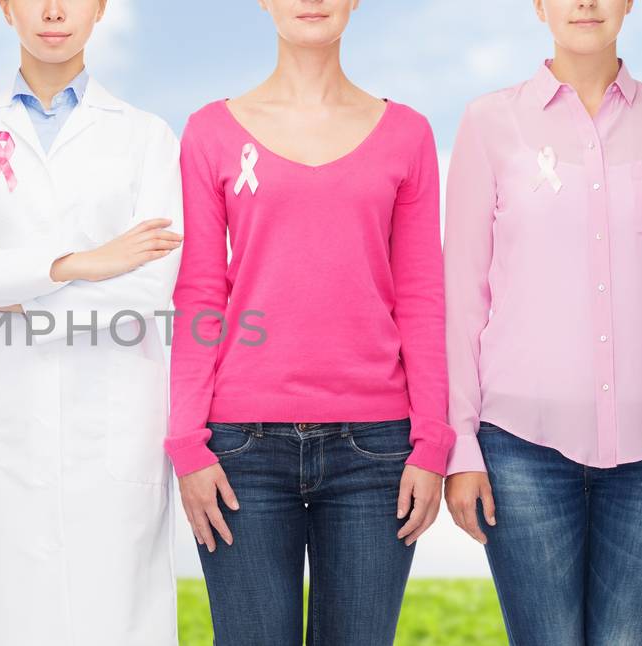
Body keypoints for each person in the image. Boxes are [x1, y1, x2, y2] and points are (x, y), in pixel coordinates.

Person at [443, 1, 642, 643]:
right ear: (539, 6)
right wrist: (459, 444)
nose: (585, 3)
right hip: (519, 446)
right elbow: (462, 296)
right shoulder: (488, 123)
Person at [167, 1, 451, 643]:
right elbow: (200, 293)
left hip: (378, 451)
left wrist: (432, 442)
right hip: (240, 449)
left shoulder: (407, 133)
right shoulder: (211, 132)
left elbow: (422, 296)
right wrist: (186, 442)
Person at [0, 0, 183, 643]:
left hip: (109, 428)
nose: (53, 11)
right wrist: (80, 264)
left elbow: (145, 286)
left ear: (101, 9)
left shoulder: (146, 137)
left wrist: (0, 286)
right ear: (6, 8)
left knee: (113, 618)